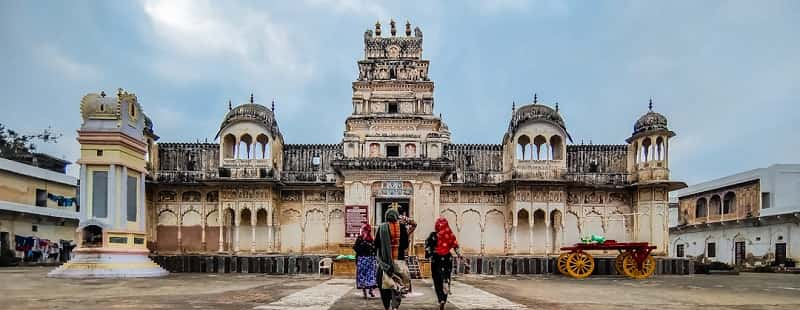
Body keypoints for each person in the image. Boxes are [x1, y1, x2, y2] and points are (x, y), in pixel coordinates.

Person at [374, 208, 415, 310]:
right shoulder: (402, 227)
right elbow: (405, 245)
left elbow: (376, 244)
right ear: (396, 216)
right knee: (398, 286)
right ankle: (395, 306)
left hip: (385, 264)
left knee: (384, 287)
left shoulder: (382, 228)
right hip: (399, 263)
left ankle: (387, 307)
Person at [426, 217, 461, 310]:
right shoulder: (450, 235)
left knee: (437, 280)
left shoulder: (433, 235)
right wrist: (459, 255)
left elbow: (428, 247)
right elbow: (456, 247)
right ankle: (444, 299)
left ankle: (440, 299)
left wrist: (429, 256)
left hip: (436, 259)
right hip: (447, 259)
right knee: (446, 277)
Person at [353, 223, 377, 299]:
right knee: (369, 275)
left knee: (363, 275)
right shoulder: (370, 239)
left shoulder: (362, 238)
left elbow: (355, 247)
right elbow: (374, 249)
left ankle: (366, 292)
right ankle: (369, 291)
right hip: (368, 259)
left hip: (362, 259)